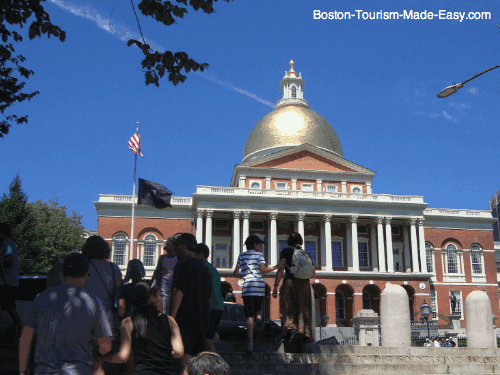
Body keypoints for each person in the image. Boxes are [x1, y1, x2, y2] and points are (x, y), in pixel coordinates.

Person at [18, 252, 112, 375]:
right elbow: (105, 347)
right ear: (86, 274)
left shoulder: (40, 298)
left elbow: (26, 337)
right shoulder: (94, 303)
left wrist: (22, 371)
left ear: (62, 274)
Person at [95, 282, 184, 375]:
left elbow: (123, 356)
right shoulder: (169, 320)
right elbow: (179, 352)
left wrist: (101, 358)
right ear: (152, 298)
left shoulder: (128, 323)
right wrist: (161, 354)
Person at [233, 234, 285, 353]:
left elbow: (235, 273)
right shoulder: (259, 255)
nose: (260, 246)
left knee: (249, 316)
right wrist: (277, 266)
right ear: (255, 245)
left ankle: (250, 344)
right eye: (259, 244)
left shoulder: (241, 256)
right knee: (258, 312)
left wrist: (245, 275)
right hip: (259, 286)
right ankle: (260, 323)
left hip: (248, 287)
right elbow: (262, 270)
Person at [169, 233, 212, 368]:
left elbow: (178, 291)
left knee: (184, 362)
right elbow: (208, 296)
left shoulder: (182, 264)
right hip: (201, 322)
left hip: (185, 320)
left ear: (184, 246)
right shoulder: (205, 268)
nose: (174, 249)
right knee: (196, 363)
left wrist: (171, 318)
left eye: (176, 245)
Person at [81, 235, 122, 374]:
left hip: (84, 313)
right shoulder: (113, 268)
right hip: (105, 317)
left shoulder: (83, 265)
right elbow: (118, 293)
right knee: (99, 359)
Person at [272, 232, 316, 353]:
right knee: (304, 308)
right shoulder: (305, 253)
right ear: (301, 241)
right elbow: (313, 273)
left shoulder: (286, 251)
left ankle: (290, 330)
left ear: (288, 242)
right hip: (305, 284)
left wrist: (276, 286)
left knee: (287, 307)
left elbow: (281, 270)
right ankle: (305, 333)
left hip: (290, 282)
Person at [195, 243, 224, 353]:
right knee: (209, 336)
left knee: (206, 338)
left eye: (195, 254)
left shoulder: (203, 268)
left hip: (211, 307)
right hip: (218, 306)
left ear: (201, 254)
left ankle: (217, 363)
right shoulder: (212, 268)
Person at [0, 222, 21, 338]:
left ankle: (18, 328)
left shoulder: (8, 244)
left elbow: (9, 260)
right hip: (6, 281)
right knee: (8, 306)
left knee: (10, 307)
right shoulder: (5, 244)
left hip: (7, 281)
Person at [151, 236, 178, 315]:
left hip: (174, 284)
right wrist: (152, 283)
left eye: (170, 244)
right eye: (167, 244)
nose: (168, 246)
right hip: (164, 283)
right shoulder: (162, 258)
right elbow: (157, 271)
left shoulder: (178, 258)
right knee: (164, 304)